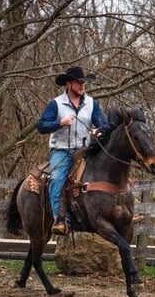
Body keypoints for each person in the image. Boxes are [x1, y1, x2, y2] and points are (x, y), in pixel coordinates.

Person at [37, 66, 109, 236]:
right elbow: (41, 126)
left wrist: (98, 130)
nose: (82, 86)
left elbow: (103, 123)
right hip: (61, 151)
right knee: (56, 178)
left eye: (84, 83)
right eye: (78, 83)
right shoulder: (56, 104)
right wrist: (59, 123)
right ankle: (60, 219)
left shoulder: (92, 103)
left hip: (85, 150)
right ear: (68, 84)